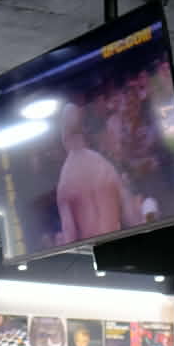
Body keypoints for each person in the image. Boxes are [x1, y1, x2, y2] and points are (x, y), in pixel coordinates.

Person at [55, 103, 139, 244]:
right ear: (84, 133)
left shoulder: (65, 182)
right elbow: (132, 215)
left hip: (96, 248)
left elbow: (70, 236)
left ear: (63, 138)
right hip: (119, 241)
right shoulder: (105, 166)